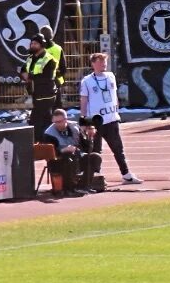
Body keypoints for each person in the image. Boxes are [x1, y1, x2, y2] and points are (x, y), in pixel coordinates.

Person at [79, 52, 141, 184]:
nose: (104, 64)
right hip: (95, 121)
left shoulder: (111, 76)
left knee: (118, 149)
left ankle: (126, 174)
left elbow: (114, 95)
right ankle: (95, 177)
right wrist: (84, 121)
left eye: (105, 61)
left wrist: (117, 111)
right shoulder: (87, 81)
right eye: (100, 62)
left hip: (111, 120)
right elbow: (84, 101)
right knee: (95, 150)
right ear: (93, 64)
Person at [41, 109, 100, 196]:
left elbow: (87, 148)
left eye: (60, 121)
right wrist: (63, 150)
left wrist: (89, 136)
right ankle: (70, 189)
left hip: (77, 156)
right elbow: (48, 153)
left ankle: (83, 186)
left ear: (66, 119)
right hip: (59, 161)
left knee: (95, 157)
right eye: (55, 122)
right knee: (68, 156)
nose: (57, 124)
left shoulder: (75, 127)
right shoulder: (49, 133)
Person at [21, 34, 57, 136]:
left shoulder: (49, 59)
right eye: (32, 43)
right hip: (36, 94)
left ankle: (41, 141)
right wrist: (24, 75)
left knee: (37, 121)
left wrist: (30, 76)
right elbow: (23, 70)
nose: (32, 45)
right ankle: (44, 141)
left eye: (35, 43)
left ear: (42, 45)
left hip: (46, 94)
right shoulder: (30, 58)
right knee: (43, 121)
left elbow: (47, 77)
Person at [38, 22, 64, 104]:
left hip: (42, 84)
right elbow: (63, 68)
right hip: (56, 82)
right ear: (52, 35)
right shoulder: (58, 49)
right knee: (57, 106)